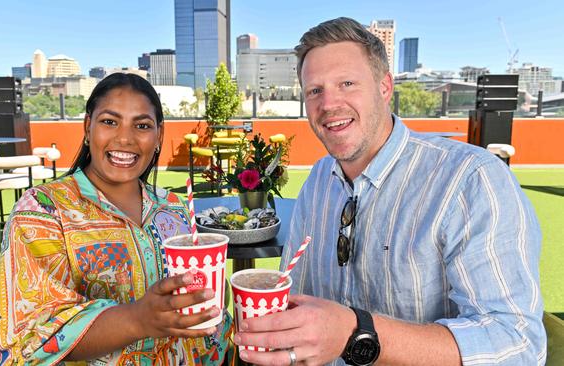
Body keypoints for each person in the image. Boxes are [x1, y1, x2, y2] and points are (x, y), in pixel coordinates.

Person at [233, 17, 546, 366]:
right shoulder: (319, 181)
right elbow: (299, 297)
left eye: (347, 83)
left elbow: (518, 346)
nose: (328, 104)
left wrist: (356, 334)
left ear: (384, 87)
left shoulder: (471, 180)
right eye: (314, 91)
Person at [0, 73, 233, 365]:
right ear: (87, 127)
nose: (125, 138)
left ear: (158, 137)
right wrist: (137, 320)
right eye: (109, 121)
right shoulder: (42, 211)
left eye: (142, 125)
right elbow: (31, 336)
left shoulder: (176, 208)